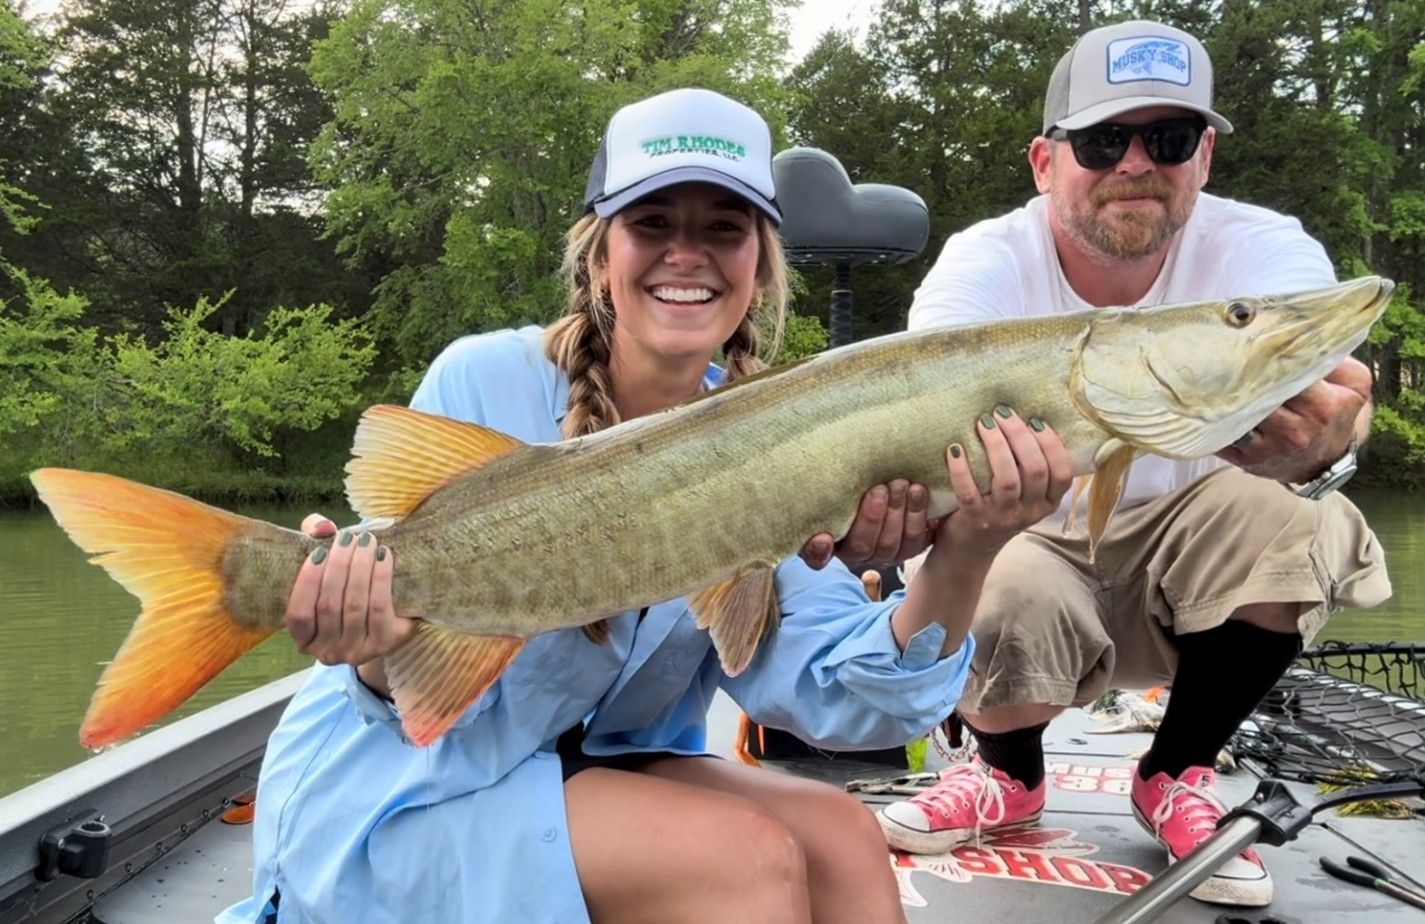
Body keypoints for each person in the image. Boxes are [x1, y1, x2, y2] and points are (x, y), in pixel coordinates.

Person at [218, 87, 1073, 924]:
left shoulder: (789, 436)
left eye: (722, 230)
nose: (686, 253)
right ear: (599, 255)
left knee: (845, 837)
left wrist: (966, 551)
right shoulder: (484, 376)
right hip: (406, 781)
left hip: (599, 770)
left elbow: (847, 704)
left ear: (758, 270)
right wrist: (371, 653)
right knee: (743, 860)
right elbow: (408, 690)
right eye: (652, 224)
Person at [874, 20, 1392, 909]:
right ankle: (1008, 772)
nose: (1136, 162)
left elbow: (1335, 389)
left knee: (1307, 516)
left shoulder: (1267, 259)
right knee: (976, 555)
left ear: (1205, 157)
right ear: (1045, 162)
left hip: (1186, 572)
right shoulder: (982, 263)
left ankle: (1175, 770)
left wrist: (1336, 437)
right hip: (1031, 543)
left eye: (1170, 138)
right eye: (1104, 139)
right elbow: (922, 430)